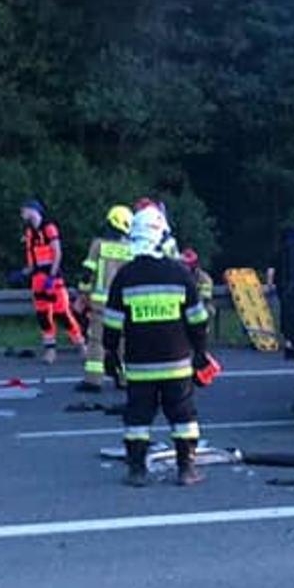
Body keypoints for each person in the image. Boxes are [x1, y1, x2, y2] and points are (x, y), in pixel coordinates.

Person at [104, 206, 210, 487]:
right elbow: (198, 319)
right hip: (177, 365)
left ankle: (137, 471)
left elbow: (112, 323)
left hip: (139, 367)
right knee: (183, 416)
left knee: (137, 418)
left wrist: (110, 354)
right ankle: (186, 469)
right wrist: (200, 351)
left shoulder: (125, 276)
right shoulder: (179, 274)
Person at [75, 204, 134, 392]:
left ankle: (93, 380)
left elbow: (87, 273)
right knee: (124, 342)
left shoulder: (98, 244)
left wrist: (83, 294)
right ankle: (125, 380)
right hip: (124, 303)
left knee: (97, 341)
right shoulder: (131, 248)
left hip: (101, 303)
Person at [21, 200, 83, 364]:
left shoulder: (49, 228)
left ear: (33, 210)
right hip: (38, 278)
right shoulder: (29, 232)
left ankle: (81, 344)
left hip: (52, 278)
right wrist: (25, 272)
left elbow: (57, 253)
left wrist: (52, 276)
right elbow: (32, 257)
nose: (22, 213)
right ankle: (50, 351)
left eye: (24, 210)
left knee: (62, 314)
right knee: (43, 316)